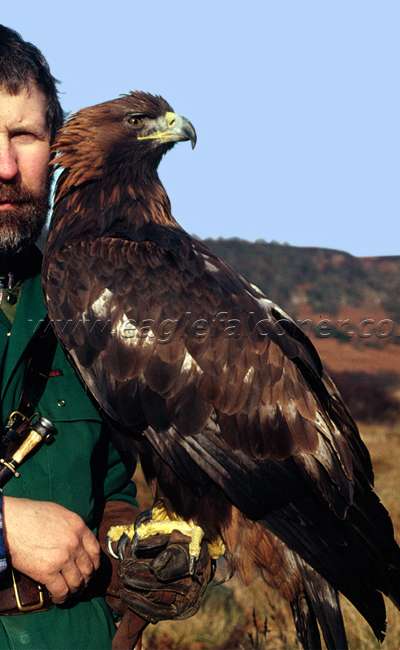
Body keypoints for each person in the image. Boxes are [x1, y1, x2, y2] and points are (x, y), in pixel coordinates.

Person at [0, 24, 212, 650]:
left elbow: (108, 483)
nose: (6, 167)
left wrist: (137, 556)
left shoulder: (85, 296)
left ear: (57, 146)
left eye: (25, 136)